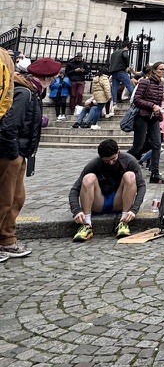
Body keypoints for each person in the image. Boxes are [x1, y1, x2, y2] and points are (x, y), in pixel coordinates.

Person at [0, 57, 56, 259]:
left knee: (16, 199)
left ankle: (7, 239)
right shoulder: (24, 93)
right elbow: (9, 125)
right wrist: (14, 154)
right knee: (4, 200)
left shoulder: (31, 93)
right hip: (11, 154)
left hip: (21, 153)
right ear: (48, 78)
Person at [69, 139, 146, 240]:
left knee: (130, 176)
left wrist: (134, 209)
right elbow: (74, 190)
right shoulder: (94, 164)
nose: (110, 163)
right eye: (106, 161)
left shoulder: (129, 160)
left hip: (120, 201)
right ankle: (86, 224)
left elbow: (141, 186)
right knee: (88, 178)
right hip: (99, 201)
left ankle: (124, 222)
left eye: (113, 159)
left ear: (118, 151)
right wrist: (76, 210)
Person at [128, 61, 164, 184]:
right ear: (154, 70)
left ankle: (155, 173)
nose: (163, 71)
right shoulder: (145, 82)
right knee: (138, 146)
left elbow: (158, 101)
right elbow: (137, 100)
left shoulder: (161, 84)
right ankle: (122, 163)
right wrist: (152, 106)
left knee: (157, 144)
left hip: (154, 118)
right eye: (161, 69)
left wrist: (158, 110)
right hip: (142, 116)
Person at [107, 40, 135, 105]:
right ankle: (135, 99)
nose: (128, 50)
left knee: (114, 87)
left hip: (113, 72)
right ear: (126, 47)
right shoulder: (124, 51)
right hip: (121, 71)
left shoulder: (114, 53)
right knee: (129, 85)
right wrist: (127, 66)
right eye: (128, 48)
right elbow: (125, 56)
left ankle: (114, 102)